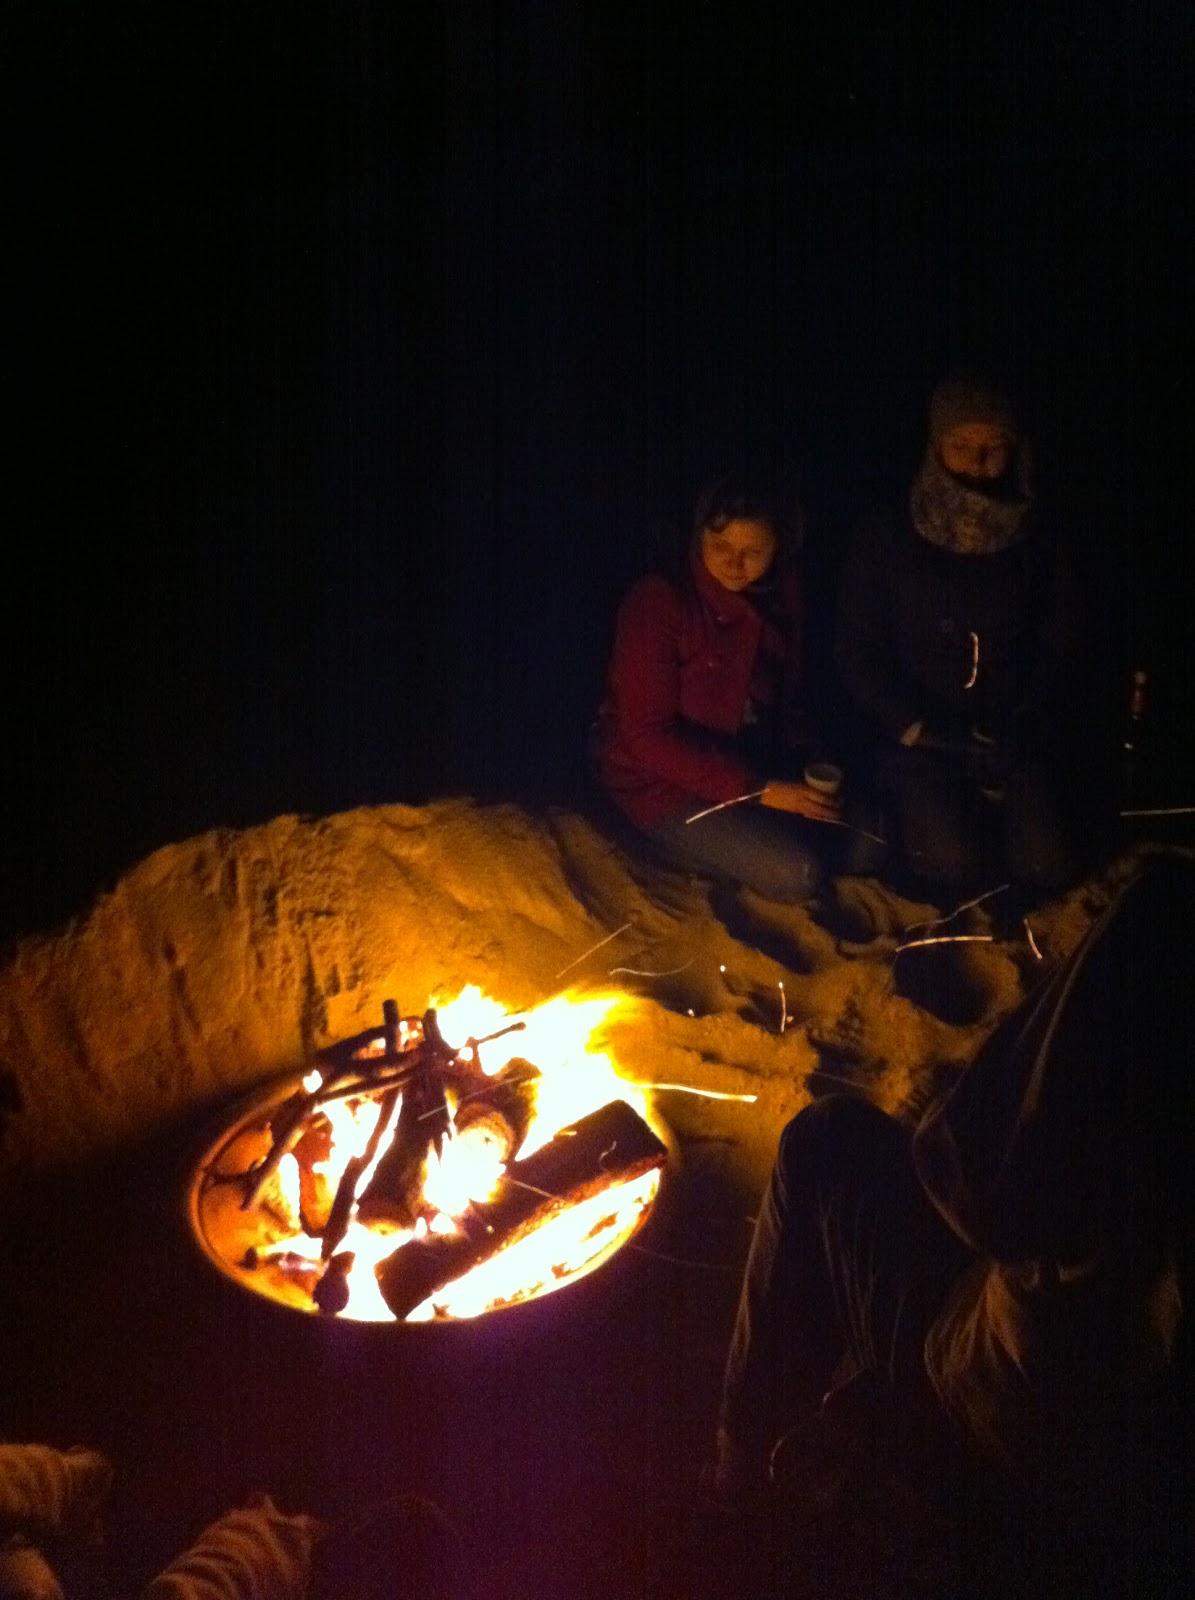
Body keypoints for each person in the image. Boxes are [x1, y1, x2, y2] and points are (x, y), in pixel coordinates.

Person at [714, 857, 1194, 1595]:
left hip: (997, 1434)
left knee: (825, 1138)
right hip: (1128, 1499)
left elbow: (966, 1171)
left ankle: (738, 1484)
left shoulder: (1170, 931)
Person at [835, 373, 1086, 907]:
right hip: (924, 740)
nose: (977, 464)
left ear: (1016, 451)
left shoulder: (1041, 536)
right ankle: (900, 813)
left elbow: (1059, 648)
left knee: (1046, 865)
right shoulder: (890, 532)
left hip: (1013, 735)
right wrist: (923, 730)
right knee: (951, 864)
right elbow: (857, 653)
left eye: (994, 448)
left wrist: (1024, 723)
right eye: (962, 446)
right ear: (935, 445)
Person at [594, 476, 874, 904]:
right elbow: (646, 739)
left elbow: (790, 692)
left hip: (749, 759)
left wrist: (808, 754)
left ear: (779, 546)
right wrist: (761, 790)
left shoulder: (783, 592)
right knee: (798, 872)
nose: (732, 563)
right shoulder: (660, 602)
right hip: (661, 785)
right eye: (720, 545)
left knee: (868, 842)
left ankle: (748, 839)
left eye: (753, 552)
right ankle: (664, 845)